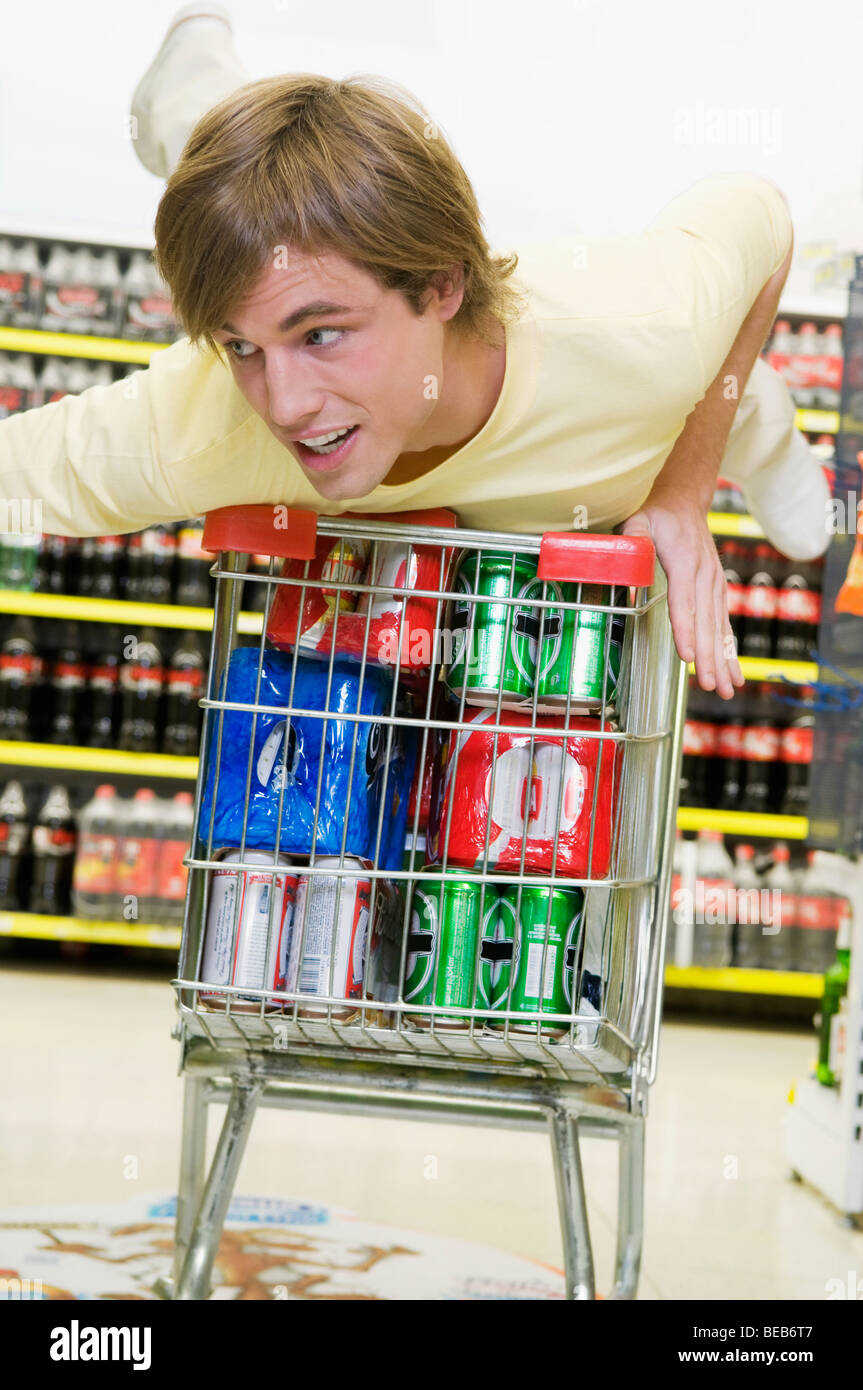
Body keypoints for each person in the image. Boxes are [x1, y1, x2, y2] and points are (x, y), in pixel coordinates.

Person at [0, 5, 829, 703]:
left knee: (729, 397)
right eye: (241, 348)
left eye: (320, 335)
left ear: (439, 286)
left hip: (636, 391)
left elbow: (762, 216)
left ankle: (767, 430)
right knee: (243, 201)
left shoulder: (645, 323)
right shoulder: (205, 427)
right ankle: (191, 82)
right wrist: (270, 336)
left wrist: (685, 487)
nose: (283, 405)